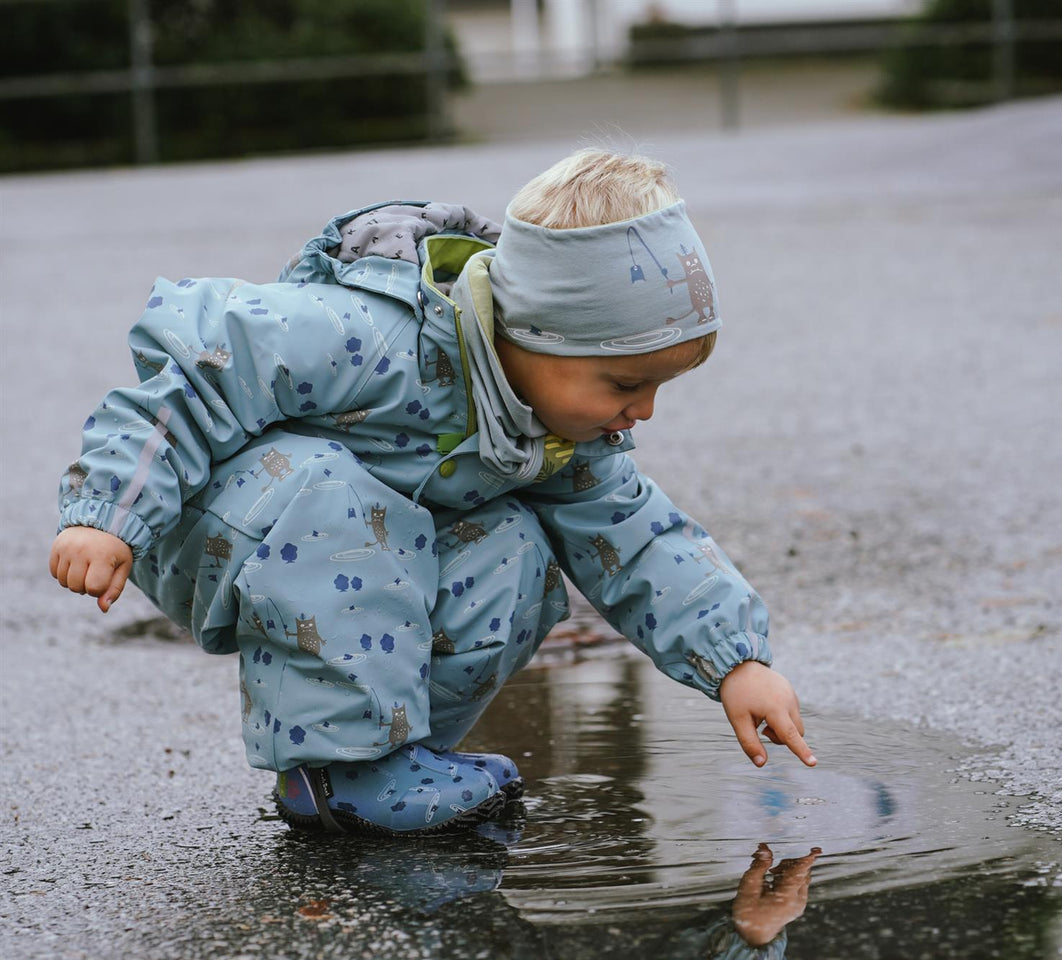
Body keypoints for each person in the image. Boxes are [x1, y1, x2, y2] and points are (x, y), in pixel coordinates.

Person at [49, 149, 816, 835]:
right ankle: (342, 766)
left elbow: (638, 535)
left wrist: (735, 660)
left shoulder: (557, 435)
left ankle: (382, 761)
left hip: (350, 552)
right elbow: (195, 376)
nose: (643, 409)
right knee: (341, 497)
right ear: (537, 334)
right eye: (624, 382)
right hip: (213, 523)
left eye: (658, 387)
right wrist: (109, 515)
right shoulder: (370, 335)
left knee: (517, 543)